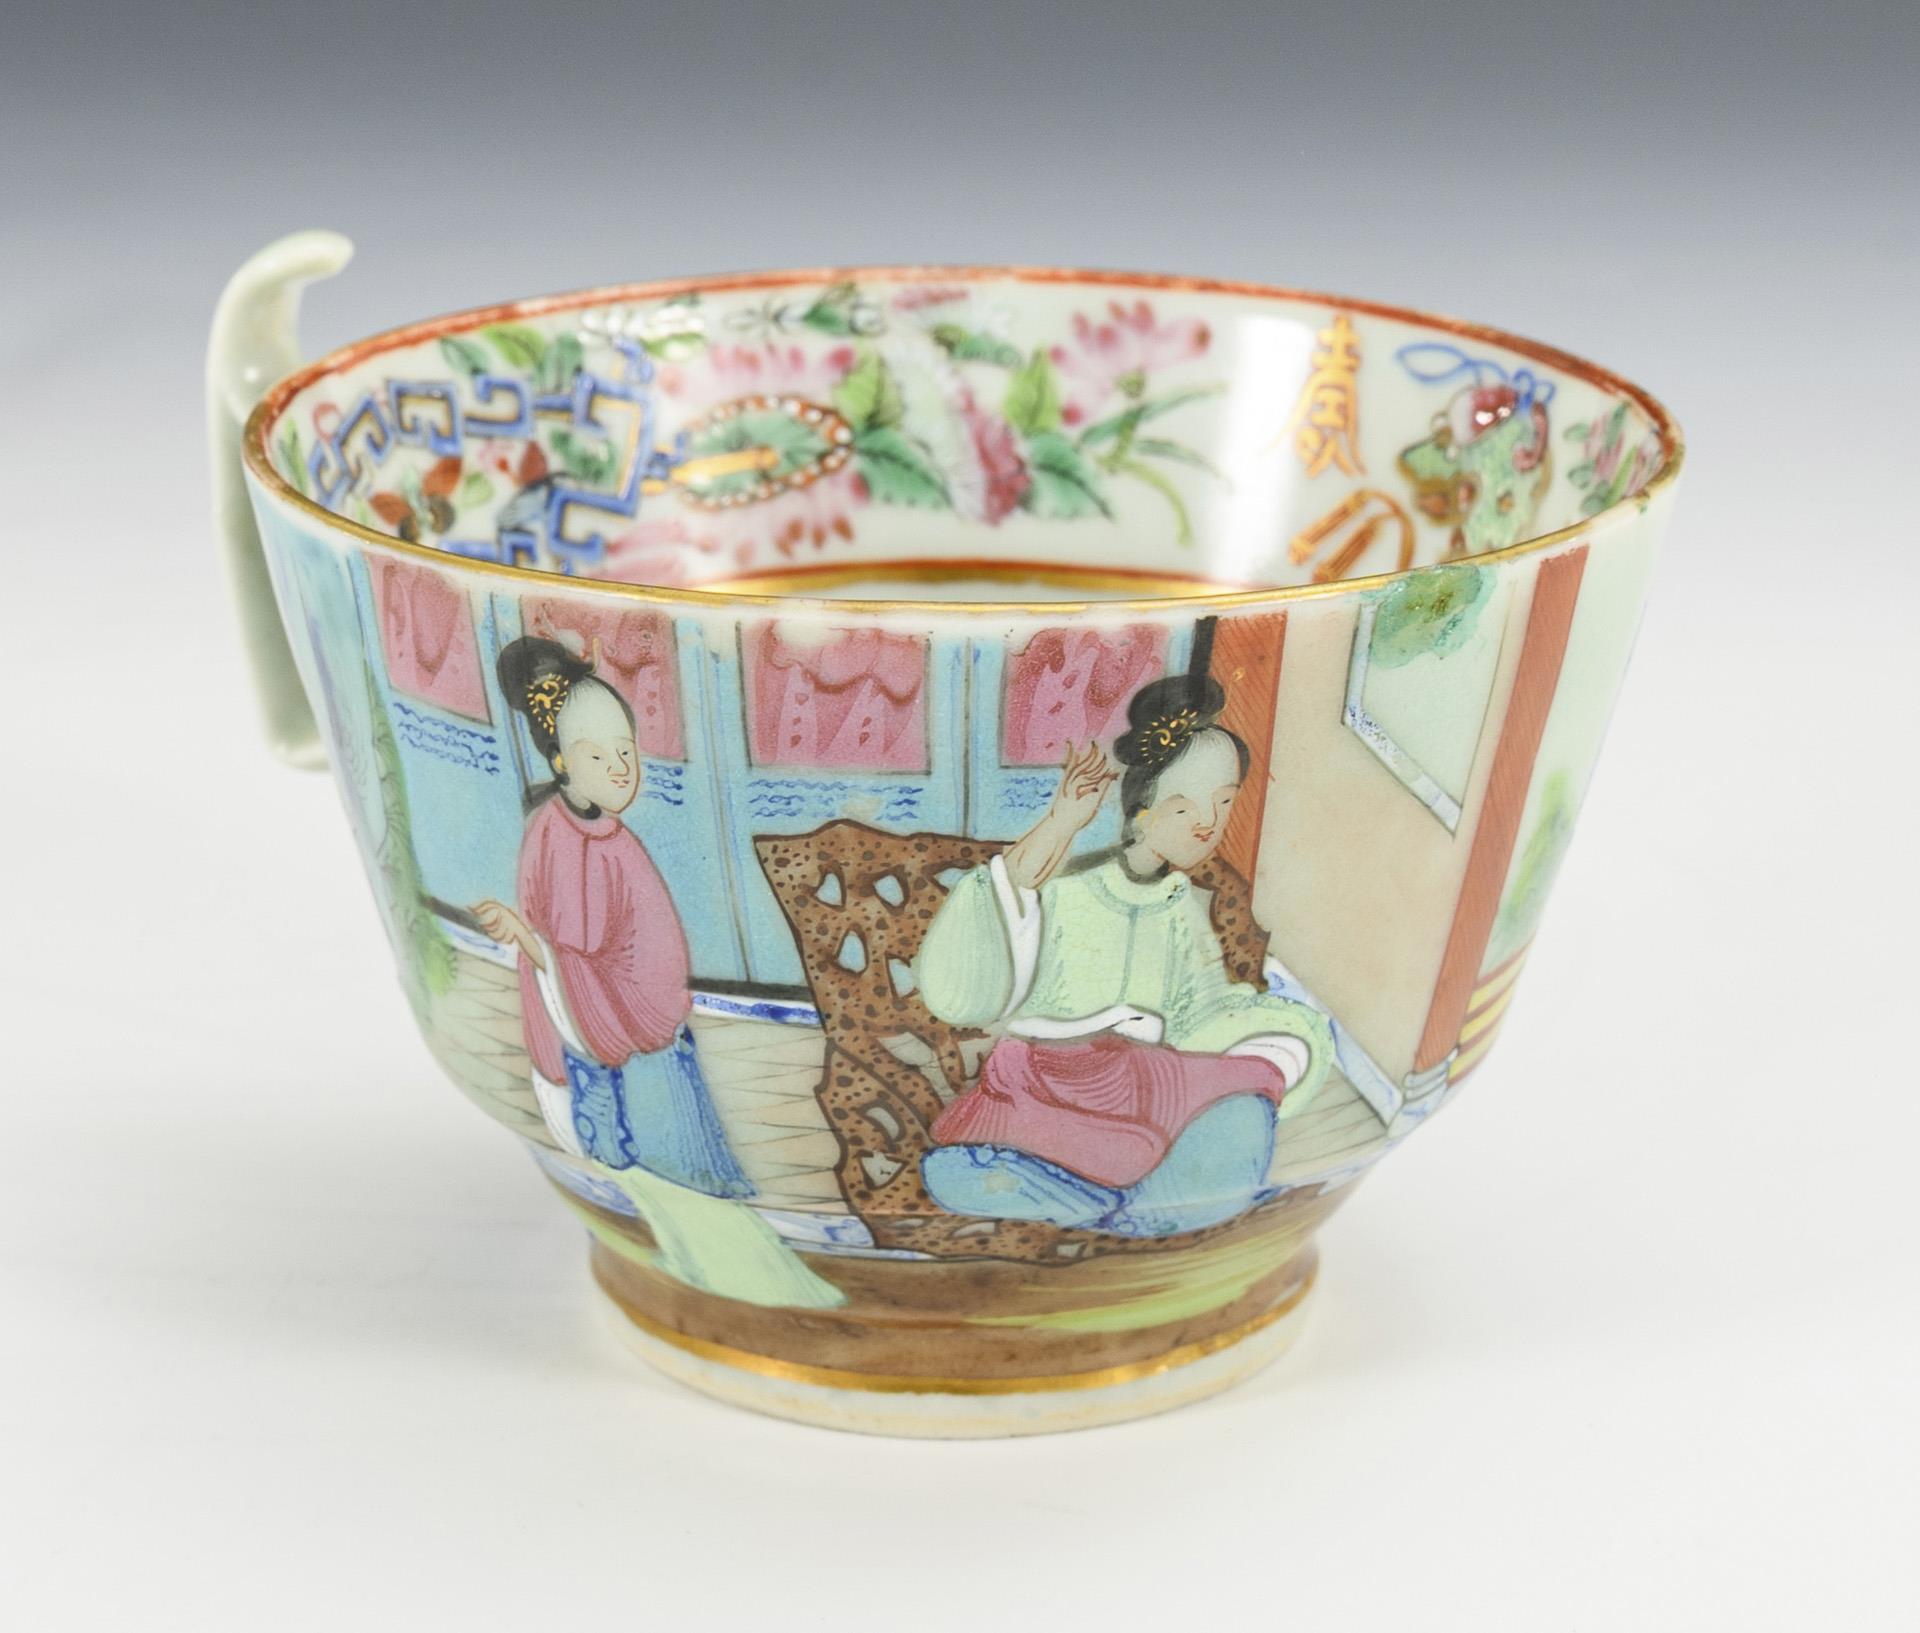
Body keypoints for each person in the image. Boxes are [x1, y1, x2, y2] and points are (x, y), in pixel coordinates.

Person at [474, 636, 840, 1308]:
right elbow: (569, 951)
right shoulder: (554, 836)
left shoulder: (612, 837)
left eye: (628, 752)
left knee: (678, 1154)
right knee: (648, 1164)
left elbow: (630, 946)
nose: (621, 770)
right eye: (598, 756)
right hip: (605, 1030)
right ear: (561, 760)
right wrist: (529, 939)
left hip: (650, 1023)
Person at [914, 673, 1332, 1236]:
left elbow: (1201, 1015)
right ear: (1141, 812)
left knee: (1254, 1088)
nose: (1207, 825)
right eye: (1183, 810)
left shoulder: (1183, 908)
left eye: (1223, 804)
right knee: (956, 1172)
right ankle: (1142, 1205)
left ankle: (1105, 1200)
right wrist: (1062, 823)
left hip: (1150, 1088)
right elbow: (998, 911)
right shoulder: (1068, 890)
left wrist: (1259, 1037)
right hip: (1051, 1084)